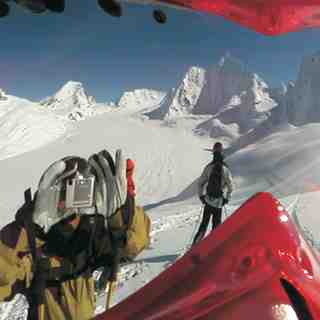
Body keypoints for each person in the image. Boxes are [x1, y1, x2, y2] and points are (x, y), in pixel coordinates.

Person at [0, 150, 129, 320]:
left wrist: (119, 215)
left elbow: (132, 245)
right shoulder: (32, 247)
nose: (71, 207)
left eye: (81, 195)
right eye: (65, 195)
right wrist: (31, 229)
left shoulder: (89, 235)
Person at [192, 142, 233, 245]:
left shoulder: (209, 167)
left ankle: (195, 245)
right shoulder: (225, 168)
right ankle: (213, 246)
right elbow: (231, 186)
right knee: (216, 226)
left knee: (204, 224)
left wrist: (201, 196)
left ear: (213, 153)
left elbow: (200, 183)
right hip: (219, 202)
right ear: (222, 152)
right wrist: (226, 198)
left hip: (208, 200)